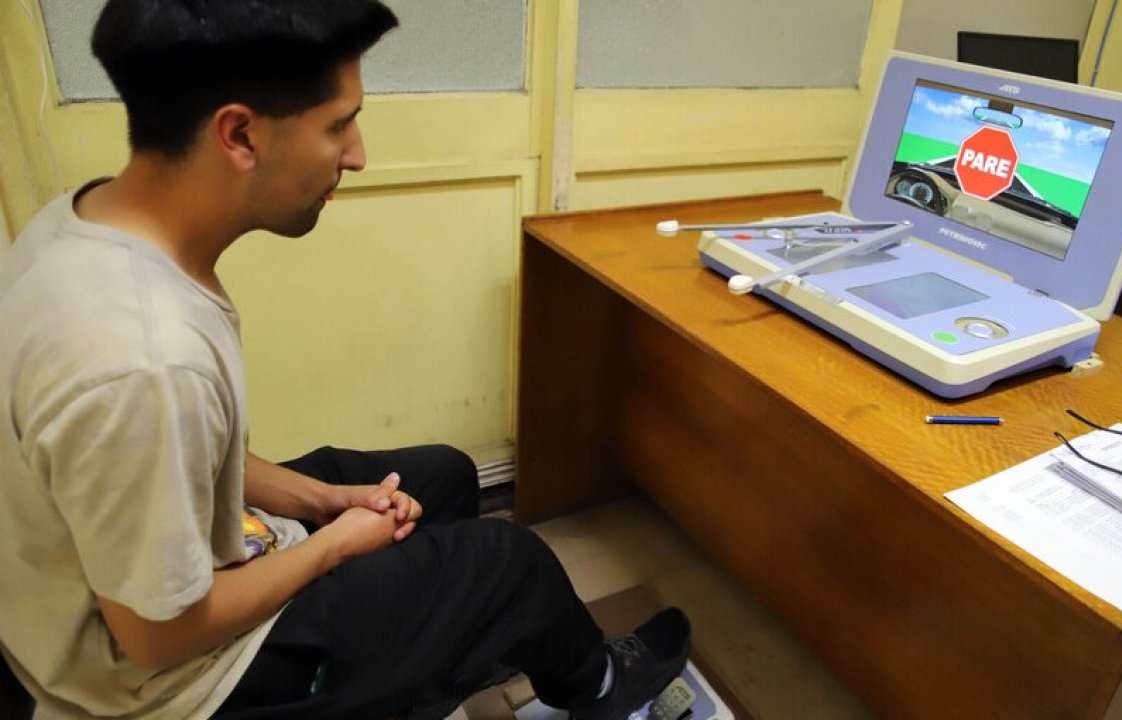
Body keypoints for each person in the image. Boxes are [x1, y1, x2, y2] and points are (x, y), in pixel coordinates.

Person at [0, 1, 690, 718]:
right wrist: (330, 547)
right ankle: (597, 687)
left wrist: (325, 503)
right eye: (338, 124)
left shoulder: (85, 221)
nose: (357, 154)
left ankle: (441, 652)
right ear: (240, 134)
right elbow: (159, 635)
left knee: (445, 477)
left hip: (191, 569)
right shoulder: (143, 359)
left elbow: (189, 456)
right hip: (182, 684)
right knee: (510, 563)